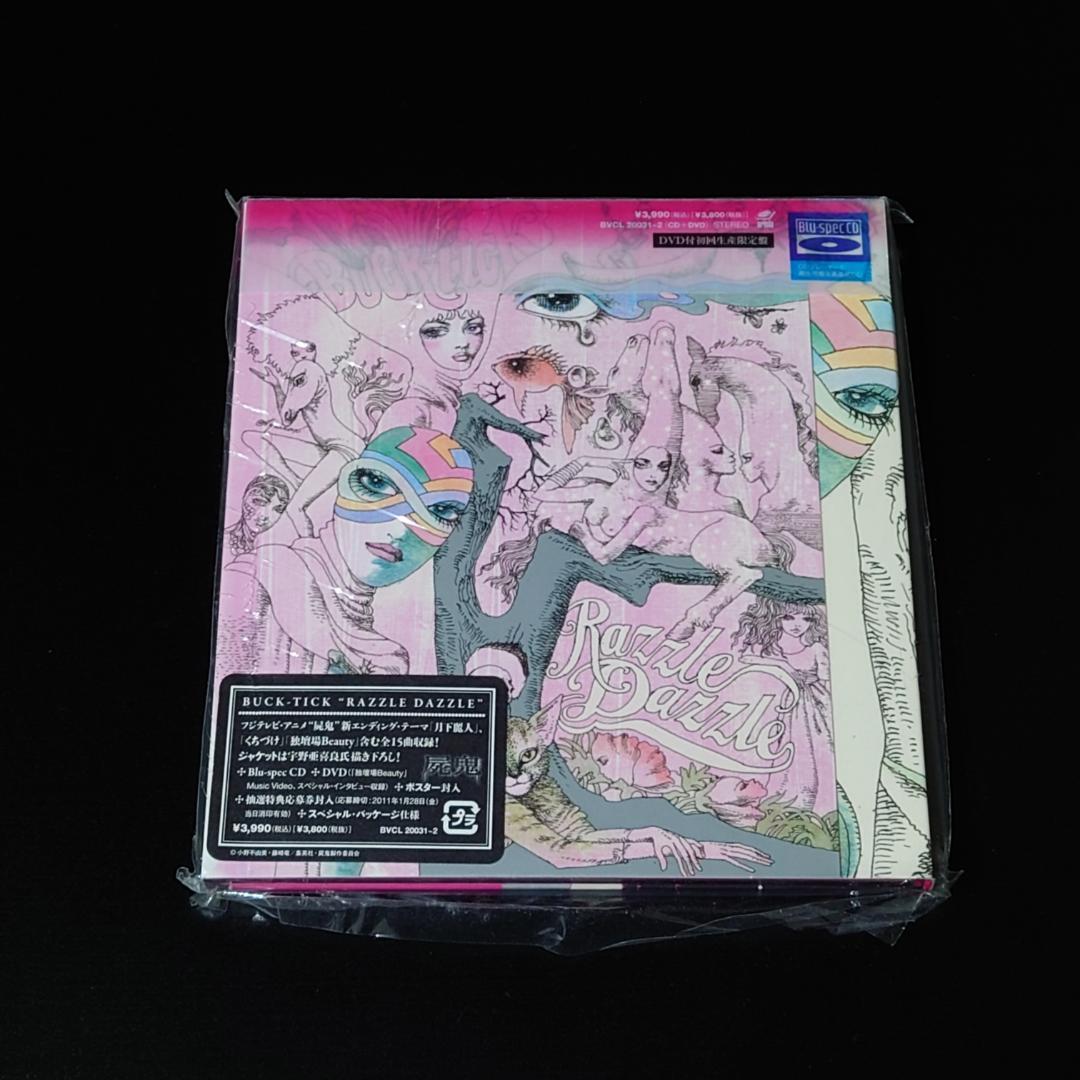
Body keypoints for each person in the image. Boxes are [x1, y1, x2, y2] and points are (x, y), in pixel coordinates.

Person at [223, 475, 290, 558]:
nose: (265, 515)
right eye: (260, 502)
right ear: (244, 498)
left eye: (278, 509)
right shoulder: (223, 541)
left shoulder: (280, 548)